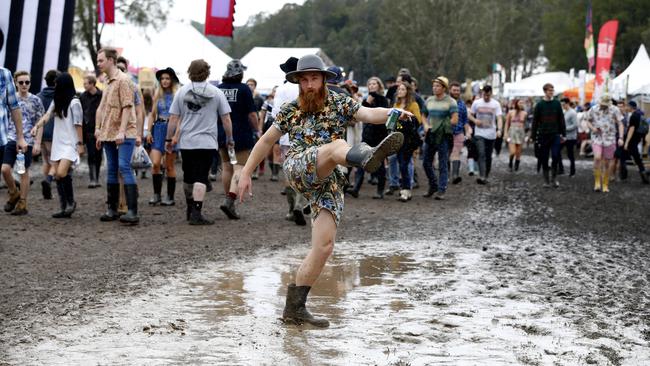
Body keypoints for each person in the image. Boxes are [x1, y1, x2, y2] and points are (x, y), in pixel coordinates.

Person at [237, 54, 407, 327]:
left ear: (324, 79)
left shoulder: (340, 102)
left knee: (324, 247)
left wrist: (393, 113)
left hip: (329, 181)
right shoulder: (291, 109)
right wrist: (245, 172)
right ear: (298, 83)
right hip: (300, 167)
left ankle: (294, 309)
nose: (309, 85)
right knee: (335, 146)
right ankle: (365, 157)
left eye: (314, 79)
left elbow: (367, 113)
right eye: (303, 80)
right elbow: (266, 140)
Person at [168, 59, 234, 225]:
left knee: (188, 177)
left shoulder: (182, 92)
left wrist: (169, 139)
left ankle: (190, 208)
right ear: (207, 72)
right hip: (207, 142)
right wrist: (230, 138)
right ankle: (197, 212)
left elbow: (173, 118)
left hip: (187, 142)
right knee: (201, 177)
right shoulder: (216, 92)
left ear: (190, 72)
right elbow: (226, 119)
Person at [95, 47, 140, 224]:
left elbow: (128, 107)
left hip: (124, 133)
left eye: (101, 60)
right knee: (112, 169)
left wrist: (122, 131)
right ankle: (112, 209)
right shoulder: (107, 81)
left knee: (124, 167)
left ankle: (132, 211)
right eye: (98, 61)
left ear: (111, 60)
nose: (98, 64)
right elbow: (103, 108)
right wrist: (99, 130)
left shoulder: (124, 80)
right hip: (108, 133)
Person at [31, 73, 84, 218]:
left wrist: (80, 144)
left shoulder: (75, 102)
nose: (55, 87)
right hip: (58, 142)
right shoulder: (57, 100)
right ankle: (64, 207)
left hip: (71, 143)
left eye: (57, 84)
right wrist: (37, 126)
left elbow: (78, 125)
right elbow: (47, 115)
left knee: (60, 173)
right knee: (59, 176)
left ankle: (71, 203)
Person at [217, 59, 260, 220]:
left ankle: (229, 200)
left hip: (222, 134)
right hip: (240, 135)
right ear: (240, 73)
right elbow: (252, 114)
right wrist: (257, 129)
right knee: (239, 168)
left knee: (227, 167)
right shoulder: (244, 89)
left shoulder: (219, 89)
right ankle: (230, 201)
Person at [271, 56, 308, 225]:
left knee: (289, 171)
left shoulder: (281, 89)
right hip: (307, 135)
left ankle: (291, 209)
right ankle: (300, 204)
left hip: (286, 136)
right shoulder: (306, 87)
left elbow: (275, 113)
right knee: (303, 170)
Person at [349, 76, 390, 199]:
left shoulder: (383, 100)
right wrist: (367, 102)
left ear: (379, 86)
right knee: (361, 161)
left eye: (374, 84)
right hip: (367, 135)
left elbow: (384, 115)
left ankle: (380, 191)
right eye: (370, 84)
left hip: (379, 135)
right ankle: (356, 188)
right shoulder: (366, 100)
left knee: (379, 162)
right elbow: (360, 115)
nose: (372, 86)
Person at [146, 67, 180, 206]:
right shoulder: (157, 94)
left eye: (167, 78)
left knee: (169, 165)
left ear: (172, 80)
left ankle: (170, 197)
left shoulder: (177, 95)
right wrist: (148, 131)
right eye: (162, 79)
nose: (165, 81)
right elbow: (152, 115)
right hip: (158, 129)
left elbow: (181, 117)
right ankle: (156, 195)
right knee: (155, 164)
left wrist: (176, 135)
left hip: (171, 130)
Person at [422, 76, 457, 200]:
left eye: (437, 86)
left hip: (443, 135)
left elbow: (454, 119)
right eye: (434, 86)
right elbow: (424, 115)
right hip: (431, 134)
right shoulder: (429, 100)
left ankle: (441, 190)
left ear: (444, 88)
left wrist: (442, 125)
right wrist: (425, 125)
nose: (434, 88)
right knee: (426, 162)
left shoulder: (450, 101)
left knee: (442, 163)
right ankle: (433, 185)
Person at [1, 70, 31, 214]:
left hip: (26, 140)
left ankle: (22, 203)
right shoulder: (11, 97)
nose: (24, 85)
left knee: (23, 171)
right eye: (21, 82)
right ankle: (14, 193)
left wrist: (37, 141)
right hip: (9, 138)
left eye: (27, 82)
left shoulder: (35, 100)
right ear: (16, 83)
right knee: (5, 169)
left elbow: (40, 121)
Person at [585, 95, 624, 193]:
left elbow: (620, 124)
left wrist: (621, 137)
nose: (603, 106)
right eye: (602, 104)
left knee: (607, 162)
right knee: (597, 157)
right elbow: (588, 121)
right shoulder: (593, 109)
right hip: (597, 137)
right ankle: (597, 182)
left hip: (610, 138)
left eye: (605, 105)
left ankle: (605, 184)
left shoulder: (615, 109)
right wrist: (593, 128)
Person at [530, 83, 566, 188]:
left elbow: (561, 119)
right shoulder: (539, 105)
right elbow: (535, 122)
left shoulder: (557, 103)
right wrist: (533, 136)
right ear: (545, 91)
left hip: (555, 134)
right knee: (544, 158)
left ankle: (554, 178)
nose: (551, 92)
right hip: (543, 135)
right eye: (550, 91)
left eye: (552, 91)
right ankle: (546, 180)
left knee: (555, 156)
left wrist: (563, 133)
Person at [392, 80, 422, 202]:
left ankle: (406, 189)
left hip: (409, 139)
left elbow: (418, 121)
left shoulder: (413, 105)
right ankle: (406, 188)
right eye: (399, 89)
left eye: (403, 89)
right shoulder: (396, 105)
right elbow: (392, 122)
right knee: (401, 163)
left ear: (408, 91)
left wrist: (407, 119)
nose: (400, 91)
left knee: (404, 164)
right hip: (398, 137)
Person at [469, 85, 503, 184]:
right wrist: (475, 120)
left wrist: (499, 129)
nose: (486, 97)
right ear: (482, 93)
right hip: (479, 133)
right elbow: (470, 115)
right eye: (484, 95)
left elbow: (499, 118)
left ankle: (486, 174)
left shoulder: (495, 104)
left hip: (491, 134)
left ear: (491, 94)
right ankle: (482, 176)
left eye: (488, 95)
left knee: (488, 156)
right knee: (481, 153)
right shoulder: (476, 103)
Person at [36, 69, 59, 199]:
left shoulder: (39, 95)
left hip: (41, 132)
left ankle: (46, 186)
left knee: (45, 161)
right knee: (55, 160)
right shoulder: (59, 96)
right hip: (54, 132)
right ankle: (49, 180)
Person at [79, 74, 103, 188]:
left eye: (86, 83)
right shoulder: (82, 97)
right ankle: (92, 178)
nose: (84, 85)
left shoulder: (102, 95)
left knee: (98, 154)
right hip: (88, 130)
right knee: (91, 154)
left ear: (92, 84)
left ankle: (97, 178)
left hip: (101, 130)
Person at [621, 100, 649, 184]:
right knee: (636, 157)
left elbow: (631, 130)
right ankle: (643, 173)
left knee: (625, 155)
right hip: (637, 138)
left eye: (627, 106)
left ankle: (625, 174)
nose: (626, 108)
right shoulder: (640, 114)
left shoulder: (633, 116)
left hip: (632, 139)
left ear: (630, 107)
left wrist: (626, 142)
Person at [448, 82, 471, 184]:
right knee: (445, 155)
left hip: (459, 132)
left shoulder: (462, 104)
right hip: (446, 132)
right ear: (450, 90)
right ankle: (446, 175)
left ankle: (455, 176)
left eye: (458, 90)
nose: (456, 92)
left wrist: (468, 131)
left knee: (456, 153)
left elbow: (465, 119)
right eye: (454, 90)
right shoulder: (446, 102)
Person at [504, 99, 527, 172]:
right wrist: (505, 134)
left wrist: (526, 135)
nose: (521, 104)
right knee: (512, 152)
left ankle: (516, 165)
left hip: (520, 133)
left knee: (518, 152)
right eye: (520, 103)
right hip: (512, 132)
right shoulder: (510, 112)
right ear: (516, 103)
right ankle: (510, 162)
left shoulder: (525, 113)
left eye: (522, 103)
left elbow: (525, 124)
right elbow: (507, 124)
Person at [560, 98, 578, 177]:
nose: (562, 106)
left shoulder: (572, 113)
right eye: (562, 104)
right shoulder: (564, 112)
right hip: (563, 136)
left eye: (563, 104)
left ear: (567, 104)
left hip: (571, 137)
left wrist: (565, 129)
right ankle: (560, 169)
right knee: (557, 152)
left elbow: (575, 125)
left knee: (570, 154)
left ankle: (572, 171)